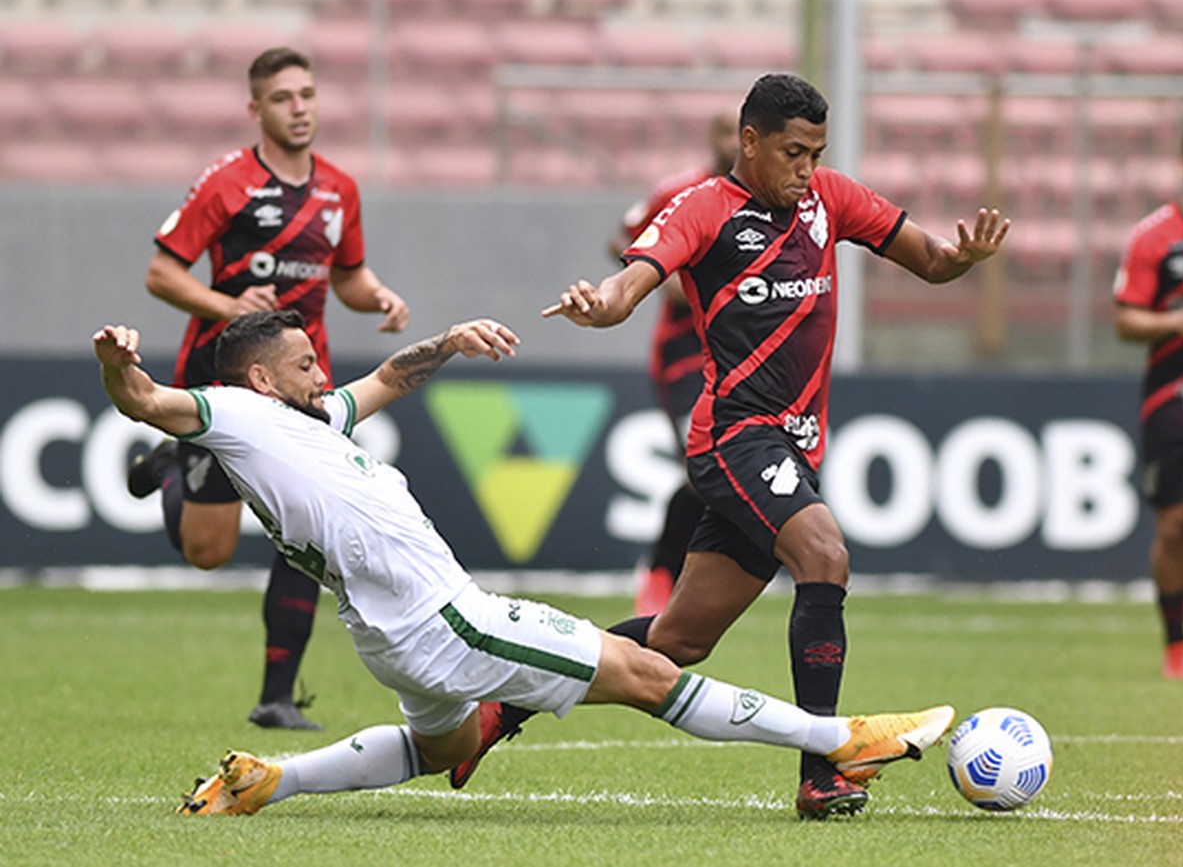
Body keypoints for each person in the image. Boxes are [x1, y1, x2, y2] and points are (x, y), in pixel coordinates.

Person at [92, 312, 955, 817]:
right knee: (650, 672)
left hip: (389, 635)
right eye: (306, 362)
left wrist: (450, 341)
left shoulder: (308, 419)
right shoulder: (235, 412)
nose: (325, 372)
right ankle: (841, 738)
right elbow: (145, 400)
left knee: (444, 748)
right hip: (448, 617)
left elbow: (388, 374)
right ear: (259, 378)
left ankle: (267, 784)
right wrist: (117, 361)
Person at [450, 74, 1007, 819]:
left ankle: (501, 706)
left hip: (794, 448)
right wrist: (597, 304)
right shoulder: (706, 207)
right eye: (791, 152)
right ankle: (822, 769)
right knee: (825, 555)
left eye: (815, 153)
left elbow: (932, 260)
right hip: (735, 437)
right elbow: (631, 286)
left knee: (678, 639)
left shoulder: (830, 199)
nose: (804, 169)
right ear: (750, 142)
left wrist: (964, 257)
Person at [125, 46, 410, 731]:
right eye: (283, 97)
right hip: (221, 376)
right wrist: (230, 307)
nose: (300, 107)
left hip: (305, 386)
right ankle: (173, 472)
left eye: (307, 93)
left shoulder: (340, 189)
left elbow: (348, 276)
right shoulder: (226, 183)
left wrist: (378, 298)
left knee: (306, 524)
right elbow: (162, 274)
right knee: (209, 551)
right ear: (257, 109)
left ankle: (276, 695)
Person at [608, 112, 740, 616]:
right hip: (685, 356)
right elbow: (623, 238)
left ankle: (684, 575)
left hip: (741, 359)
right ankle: (661, 573)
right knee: (702, 466)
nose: (733, 145)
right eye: (725, 133)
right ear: (714, 138)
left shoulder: (773, 202)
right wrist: (661, 277)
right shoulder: (681, 193)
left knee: (725, 471)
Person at [1112, 122, 1183, 681]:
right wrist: (1178, 322)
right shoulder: (1155, 236)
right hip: (1174, 395)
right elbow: (1125, 319)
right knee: (1171, 525)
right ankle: (1175, 642)